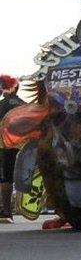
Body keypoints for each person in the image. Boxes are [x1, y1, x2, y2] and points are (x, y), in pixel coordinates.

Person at [0, 74, 26, 223]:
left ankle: (6, 211)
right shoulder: (24, 103)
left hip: (6, 145)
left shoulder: (2, 104)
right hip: (24, 146)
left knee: (5, 178)